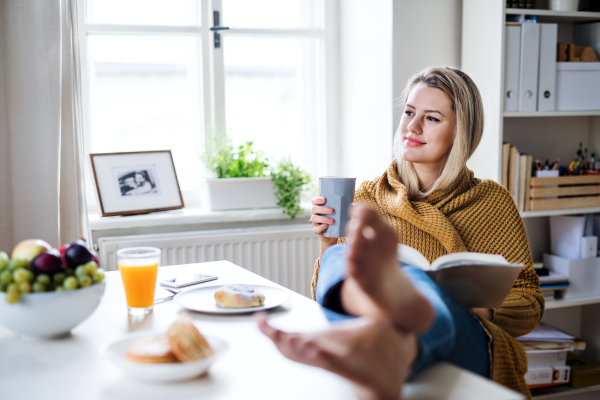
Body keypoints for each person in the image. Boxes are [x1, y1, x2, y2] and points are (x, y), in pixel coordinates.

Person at [259, 67, 544, 398]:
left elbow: (530, 302)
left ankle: (409, 306)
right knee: (339, 254)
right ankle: (389, 324)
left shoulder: (490, 202)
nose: (412, 126)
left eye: (432, 118)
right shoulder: (368, 196)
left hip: (463, 345)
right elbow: (327, 296)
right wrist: (326, 241)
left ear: (460, 131)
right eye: (409, 112)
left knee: (426, 293)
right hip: (376, 332)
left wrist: (484, 310)